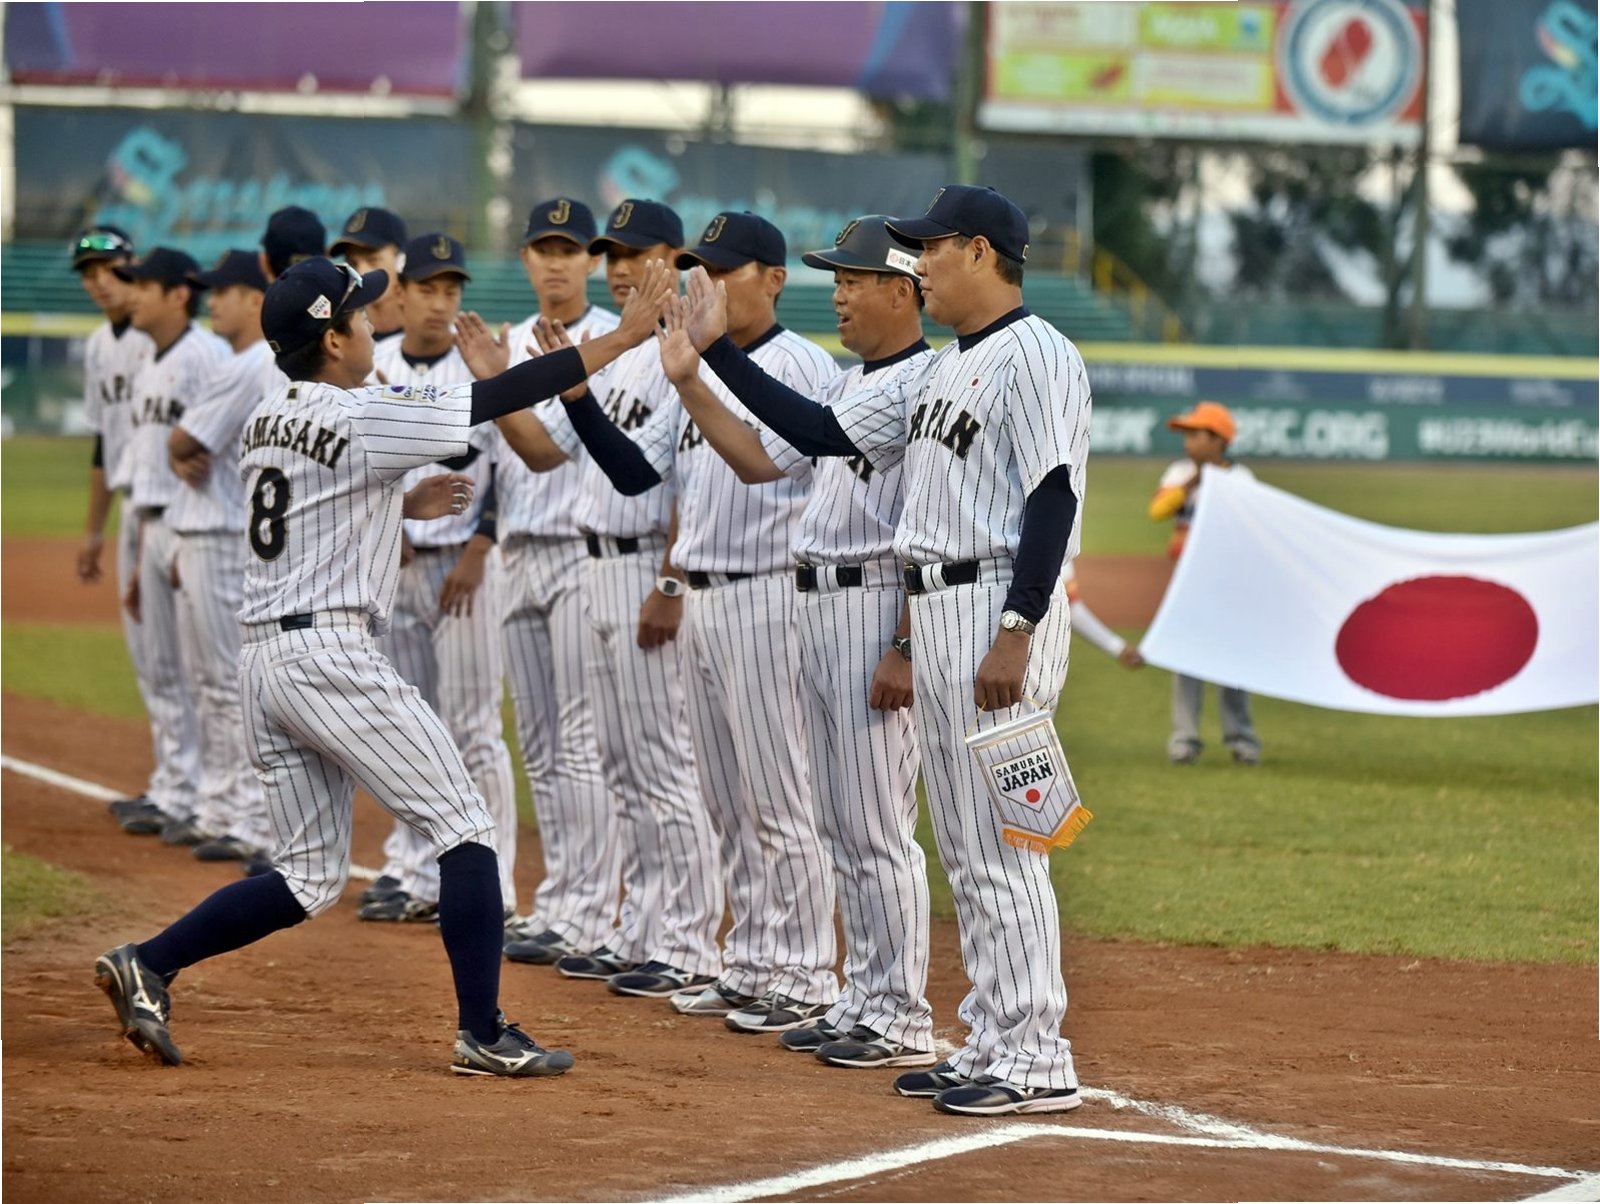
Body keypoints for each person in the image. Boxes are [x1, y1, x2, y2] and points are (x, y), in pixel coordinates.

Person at [94, 254, 673, 1076]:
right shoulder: (360, 412)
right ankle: (482, 1031)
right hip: (328, 656)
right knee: (464, 826)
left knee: (306, 877)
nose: (375, 323)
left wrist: (395, 503)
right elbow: (500, 394)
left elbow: (310, 507)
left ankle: (148, 962)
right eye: (361, 316)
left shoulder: (268, 414)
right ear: (332, 341)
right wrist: (622, 337)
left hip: (266, 659)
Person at [664, 186, 1092, 1116]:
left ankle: (1035, 1053)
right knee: (968, 849)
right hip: (939, 603)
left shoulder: (1039, 353)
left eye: (930, 249)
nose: (919, 265)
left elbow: (1053, 495)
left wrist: (1018, 626)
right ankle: (995, 1039)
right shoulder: (939, 370)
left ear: (979, 251)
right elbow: (821, 433)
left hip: (994, 602)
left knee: (1005, 846)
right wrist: (717, 352)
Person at [649, 216, 937, 1060]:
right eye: (835, 280)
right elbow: (759, 459)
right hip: (815, 602)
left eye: (853, 281)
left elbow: (926, 527)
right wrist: (692, 377)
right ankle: (856, 993)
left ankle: (883, 1003)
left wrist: (905, 644)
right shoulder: (852, 381)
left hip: (866, 602)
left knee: (867, 824)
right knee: (834, 820)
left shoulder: (918, 384)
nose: (838, 295)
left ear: (902, 290)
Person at [550, 211, 842, 1029]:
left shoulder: (800, 365)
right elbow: (649, 481)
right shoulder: (693, 358)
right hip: (709, 596)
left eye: (726, 268)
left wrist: (690, 376)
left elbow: (763, 468)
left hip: (769, 593)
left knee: (778, 795)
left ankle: (806, 971)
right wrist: (579, 401)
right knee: (725, 799)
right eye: (699, 268)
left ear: (775, 279)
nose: (706, 283)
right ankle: (750, 960)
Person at [458, 198, 721, 993]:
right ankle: (637, 925)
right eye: (614, 255)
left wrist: (670, 578)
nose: (620, 268)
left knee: (658, 762)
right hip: (593, 559)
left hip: (640, 567)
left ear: (674, 258)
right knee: (619, 761)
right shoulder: (622, 355)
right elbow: (553, 454)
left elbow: (688, 482)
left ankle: (686, 939)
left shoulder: (682, 353)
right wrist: (506, 385)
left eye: (635, 254)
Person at [462, 197, 632, 966]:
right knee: (538, 742)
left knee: (580, 740)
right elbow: (489, 462)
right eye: (544, 248)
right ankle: (562, 897)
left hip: (578, 554)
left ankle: (589, 908)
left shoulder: (610, 341)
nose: (557, 262)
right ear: (526, 259)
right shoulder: (505, 340)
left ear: (590, 261)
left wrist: (497, 385)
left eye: (570, 249)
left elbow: (545, 450)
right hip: (518, 556)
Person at [360, 233, 518, 924]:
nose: (440, 302)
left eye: (452, 290)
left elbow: (508, 467)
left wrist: (480, 549)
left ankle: (496, 885)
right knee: (404, 726)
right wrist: (387, 528)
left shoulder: (476, 363)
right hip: (396, 568)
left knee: (473, 727)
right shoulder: (377, 361)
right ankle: (411, 869)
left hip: (465, 568)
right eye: (428, 288)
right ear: (401, 292)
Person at [115, 247, 230, 848]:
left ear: (178, 294)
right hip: (149, 521)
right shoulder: (146, 358)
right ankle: (174, 788)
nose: (130, 294)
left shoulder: (206, 355)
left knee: (202, 673)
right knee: (160, 667)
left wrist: (191, 464)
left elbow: (224, 435)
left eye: (142, 285)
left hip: (193, 523)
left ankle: (209, 797)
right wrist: (138, 549)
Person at [165, 251, 277, 863]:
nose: (212, 300)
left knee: (228, 684)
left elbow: (185, 439)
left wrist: (175, 448)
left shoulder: (252, 361)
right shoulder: (252, 361)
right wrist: (177, 450)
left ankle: (247, 817)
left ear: (255, 299)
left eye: (223, 291)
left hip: (222, 532)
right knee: (213, 683)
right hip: (213, 531)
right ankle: (221, 808)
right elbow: (183, 445)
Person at [70, 225, 164, 835]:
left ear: (134, 268)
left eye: (110, 268)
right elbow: (104, 443)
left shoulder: (162, 340)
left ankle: (194, 789)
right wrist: (93, 531)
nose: (100, 282)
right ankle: (173, 782)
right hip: (132, 506)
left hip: (174, 510)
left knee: (180, 660)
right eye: (89, 273)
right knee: (148, 656)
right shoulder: (100, 346)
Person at [1149, 401, 1259, 765]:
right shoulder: (1179, 472)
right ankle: (1184, 742)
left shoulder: (1241, 479)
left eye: (1195, 434)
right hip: (1187, 584)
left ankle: (1242, 741)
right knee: (1186, 660)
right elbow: (1158, 511)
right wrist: (1195, 480)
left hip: (1228, 585)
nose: (1187, 442)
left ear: (1219, 440)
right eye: (1187, 434)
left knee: (1233, 662)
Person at [329, 207, 409, 345]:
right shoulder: (337, 340)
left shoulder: (437, 335)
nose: (360, 272)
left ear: (401, 261)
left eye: (373, 260)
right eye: (352, 263)